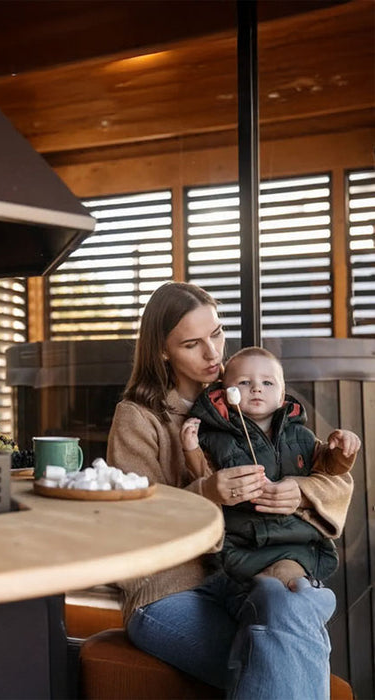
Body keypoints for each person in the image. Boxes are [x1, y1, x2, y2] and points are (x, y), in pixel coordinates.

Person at [106, 281, 354, 699]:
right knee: (290, 647)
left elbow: (327, 471)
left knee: (286, 622)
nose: (212, 353)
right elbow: (132, 520)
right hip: (168, 593)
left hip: (242, 581)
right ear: (163, 350)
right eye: (192, 344)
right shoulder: (137, 418)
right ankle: (307, 606)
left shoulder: (246, 392)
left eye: (217, 333)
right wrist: (206, 493)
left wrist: (301, 490)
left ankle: (299, 607)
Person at [180, 346, 360, 589]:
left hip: (294, 541)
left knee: (286, 582)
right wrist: (191, 450)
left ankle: (301, 598)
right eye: (244, 382)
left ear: (282, 394)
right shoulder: (214, 439)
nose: (256, 388)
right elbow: (207, 479)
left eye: (267, 383)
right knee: (268, 591)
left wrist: (340, 452)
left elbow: (327, 468)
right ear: (224, 394)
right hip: (243, 542)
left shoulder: (301, 436)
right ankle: (307, 601)